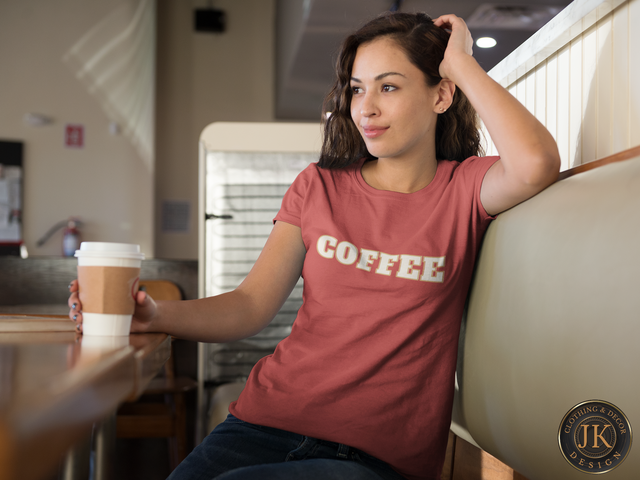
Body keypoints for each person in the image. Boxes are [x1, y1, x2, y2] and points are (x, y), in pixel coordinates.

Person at [68, 11, 560, 480]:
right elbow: (249, 305)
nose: (365, 107)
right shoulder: (318, 185)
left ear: (440, 96)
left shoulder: (464, 188)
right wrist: (154, 316)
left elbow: (536, 162)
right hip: (264, 422)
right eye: (357, 89)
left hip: (377, 460)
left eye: (388, 87)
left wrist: (462, 64)